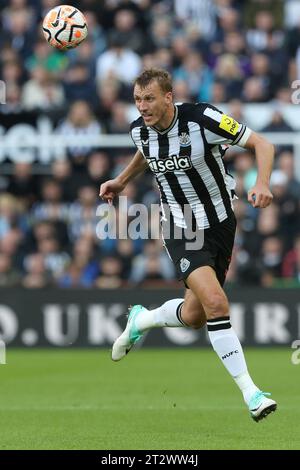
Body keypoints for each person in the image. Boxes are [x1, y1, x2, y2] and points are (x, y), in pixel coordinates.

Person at [99, 68, 277, 422]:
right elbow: (145, 152)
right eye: (137, 99)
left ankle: (142, 319)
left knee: (195, 316)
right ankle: (251, 393)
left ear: (169, 97)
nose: (142, 107)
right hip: (183, 227)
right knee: (215, 302)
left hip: (222, 224)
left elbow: (263, 144)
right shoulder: (140, 130)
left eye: (148, 98)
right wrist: (120, 181)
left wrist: (263, 182)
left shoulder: (202, 119)